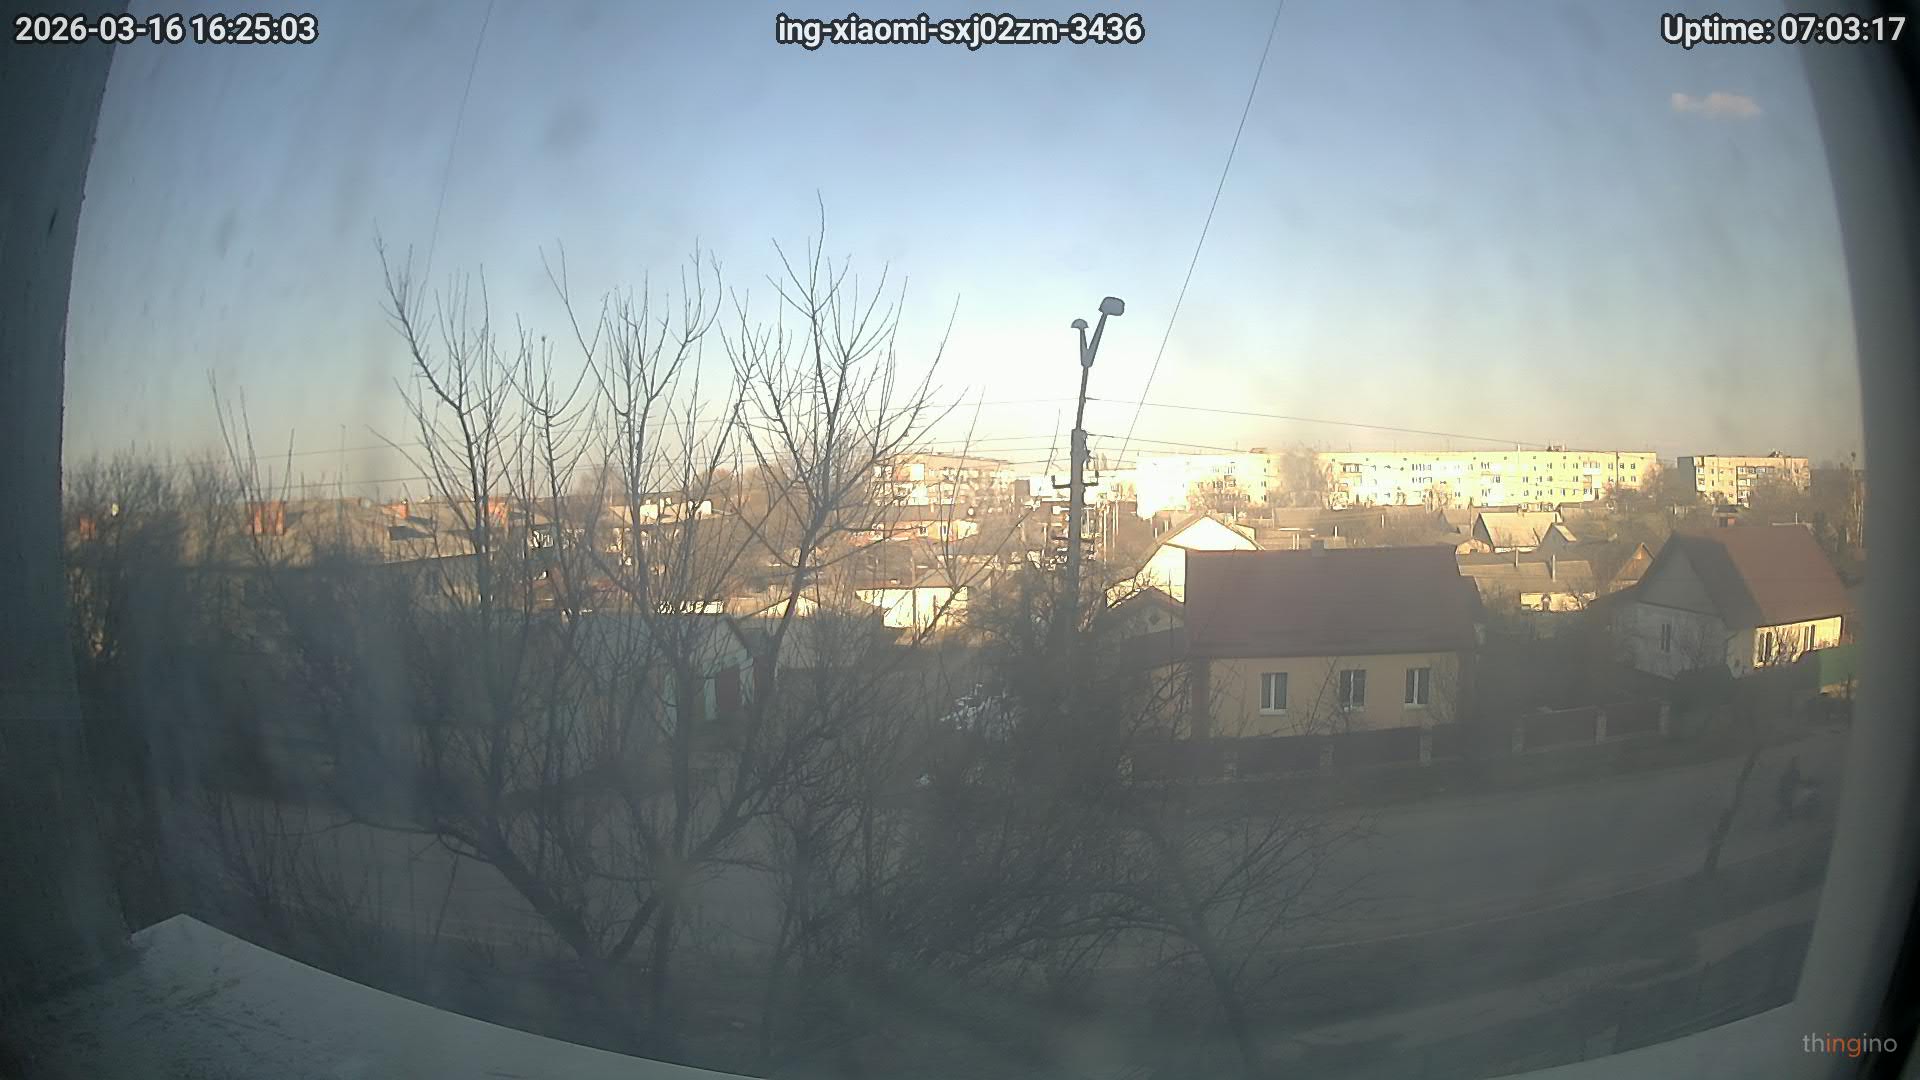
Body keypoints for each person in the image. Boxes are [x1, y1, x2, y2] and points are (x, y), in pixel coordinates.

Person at [1778, 756, 1806, 821]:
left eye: (1796, 763)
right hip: (1788, 791)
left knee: (1789, 803)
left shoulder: (1795, 772)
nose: (1797, 764)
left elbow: (1797, 781)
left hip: (1791, 791)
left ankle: (1789, 816)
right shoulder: (1791, 772)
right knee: (1788, 803)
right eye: (1795, 763)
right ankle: (1787, 816)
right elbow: (1784, 782)